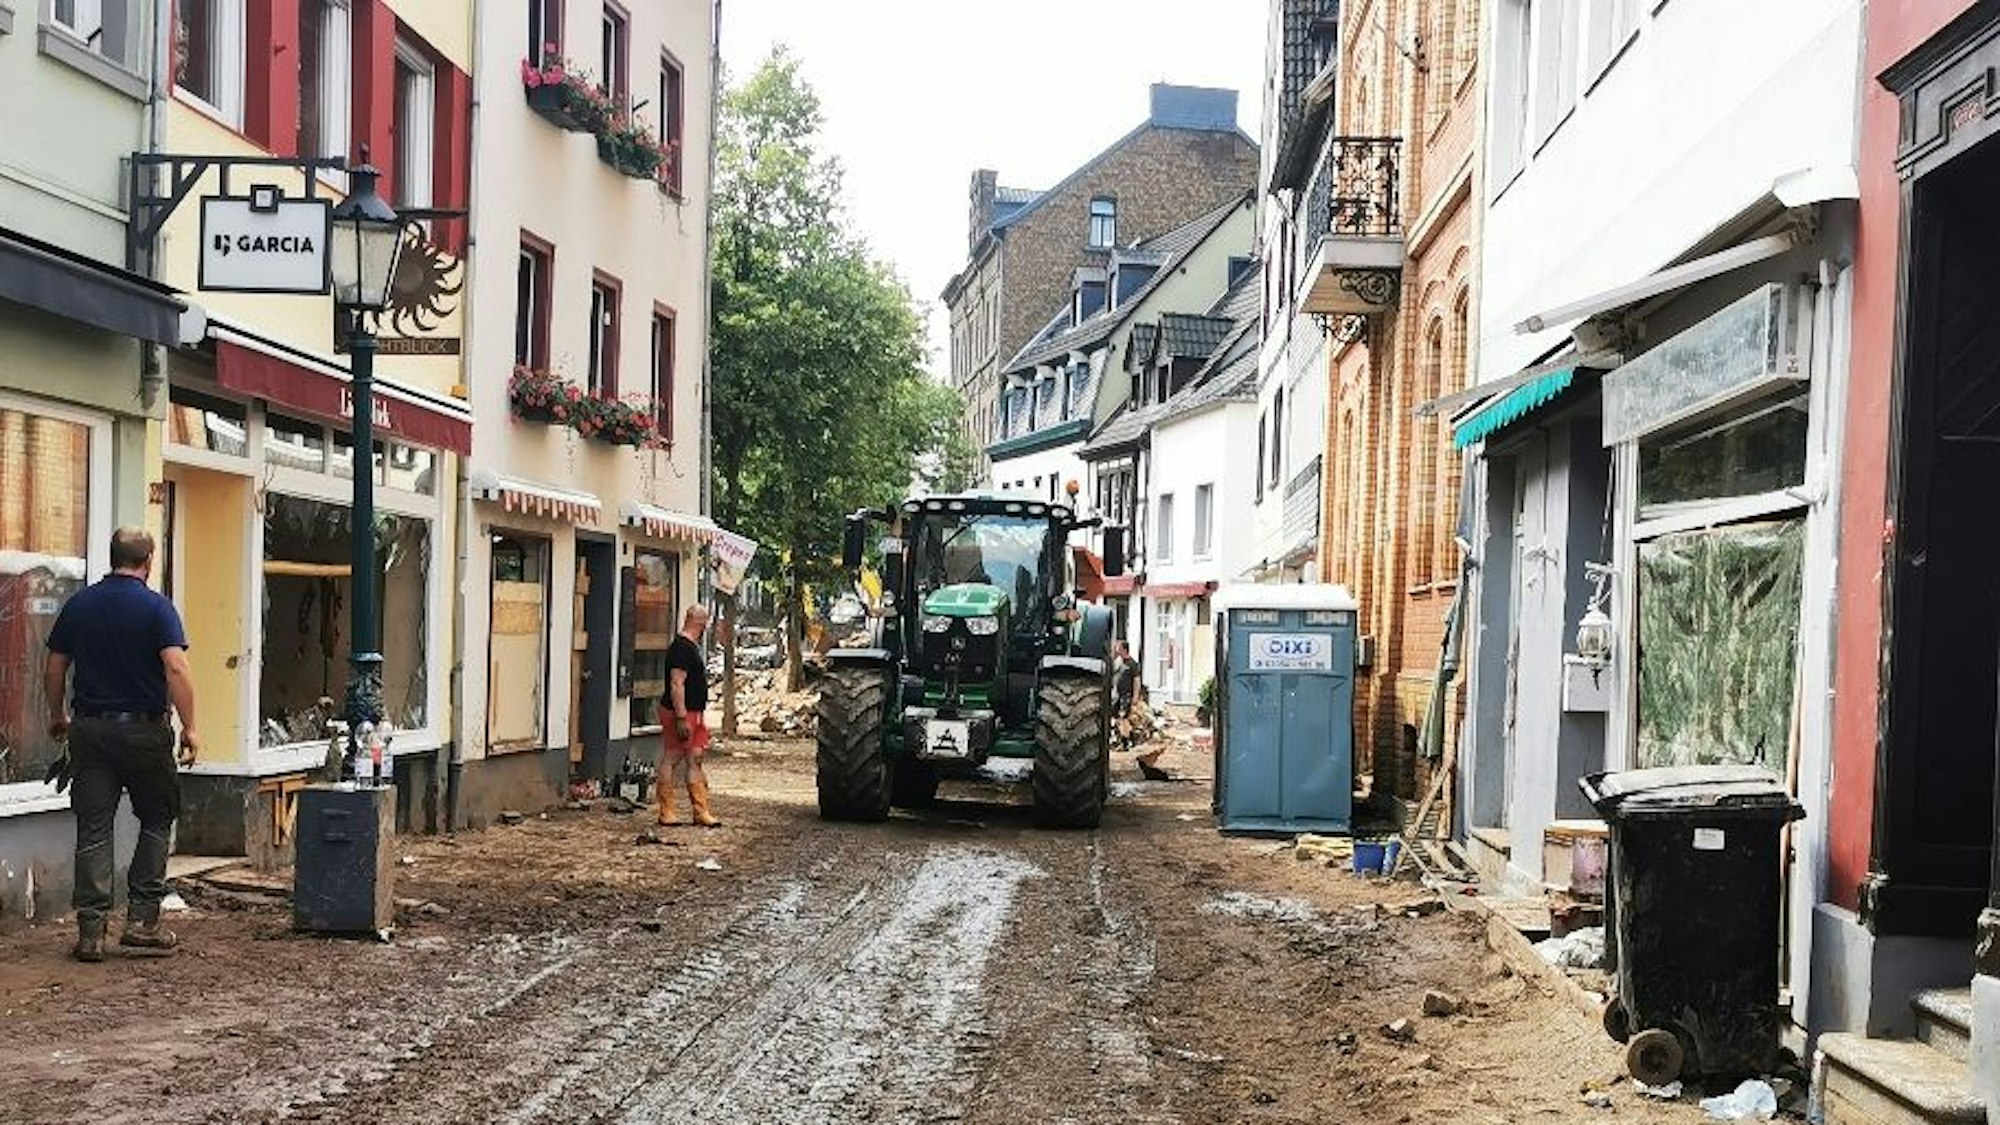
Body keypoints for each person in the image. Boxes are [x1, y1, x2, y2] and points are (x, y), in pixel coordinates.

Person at [43, 528, 198, 963]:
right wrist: (191, 727)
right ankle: (142, 923)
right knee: (156, 816)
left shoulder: (81, 604)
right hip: (144, 732)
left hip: (90, 731)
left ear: (114, 557)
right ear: (148, 560)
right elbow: (177, 668)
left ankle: (91, 932)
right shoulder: (157, 608)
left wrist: (58, 715)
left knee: (94, 825)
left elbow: (55, 664)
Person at [657, 603, 721, 828]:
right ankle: (667, 811)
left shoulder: (689, 646)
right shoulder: (682, 648)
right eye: (706, 622)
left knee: (695, 758)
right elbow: (677, 684)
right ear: (700, 623)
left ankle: (700, 811)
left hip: (695, 712)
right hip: (682, 713)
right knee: (672, 757)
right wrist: (681, 716)